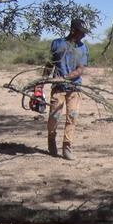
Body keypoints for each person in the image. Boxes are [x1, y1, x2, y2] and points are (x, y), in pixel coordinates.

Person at [35, 19, 90, 160]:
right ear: (72, 30)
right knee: (54, 116)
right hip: (58, 88)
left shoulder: (83, 48)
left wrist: (65, 77)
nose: (83, 36)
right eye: (81, 32)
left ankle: (67, 146)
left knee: (72, 116)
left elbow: (80, 69)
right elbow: (49, 64)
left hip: (74, 88)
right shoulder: (57, 44)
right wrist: (41, 84)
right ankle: (51, 138)